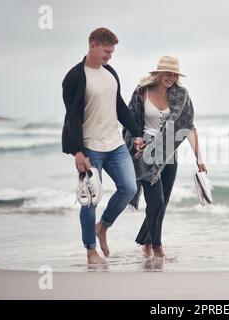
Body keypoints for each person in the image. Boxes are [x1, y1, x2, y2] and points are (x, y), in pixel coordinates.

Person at [61, 27, 144, 264]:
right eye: (107, 51)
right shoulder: (75, 77)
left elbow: (119, 106)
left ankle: (103, 226)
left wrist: (137, 133)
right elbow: (72, 117)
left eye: (112, 52)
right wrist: (77, 150)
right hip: (89, 147)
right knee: (90, 199)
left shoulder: (110, 73)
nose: (110, 56)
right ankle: (90, 250)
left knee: (128, 188)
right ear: (93, 45)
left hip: (115, 144)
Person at [124, 55, 207, 258]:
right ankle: (157, 246)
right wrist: (134, 141)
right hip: (144, 152)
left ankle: (147, 241)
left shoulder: (181, 95)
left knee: (163, 202)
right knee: (157, 201)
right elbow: (129, 120)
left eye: (174, 74)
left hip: (169, 153)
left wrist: (199, 158)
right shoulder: (142, 91)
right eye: (167, 73)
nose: (170, 78)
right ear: (159, 73)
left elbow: (188, 127)